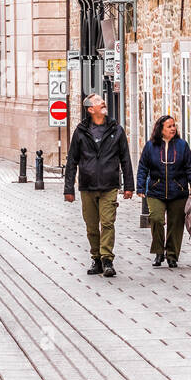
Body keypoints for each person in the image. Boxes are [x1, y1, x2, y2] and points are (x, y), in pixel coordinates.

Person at [64, 94, 134, 277]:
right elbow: (72, 160)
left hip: (109, 184)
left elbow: (125, 159)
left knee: (108, 222)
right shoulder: (80, 131)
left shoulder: (116, 130)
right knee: (92, 226)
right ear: (90, 109)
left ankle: (107, 259)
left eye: (102, 100)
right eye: (98, 102)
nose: (103, 102)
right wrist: (68, 189)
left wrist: (129, 185)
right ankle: (96, 257)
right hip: (87, 185)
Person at [135, 114, 191, 269]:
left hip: (178, 190)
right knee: (156, 219)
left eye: (174, 126)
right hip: (156, 190)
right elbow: (143, 167)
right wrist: (141, 187)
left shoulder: (182, 145)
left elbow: (190, 167)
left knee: (175, 224)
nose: (173, 128)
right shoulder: (151, 146)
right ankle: (158, 251)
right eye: (169, 126)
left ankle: (172, 255)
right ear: (160, 129)